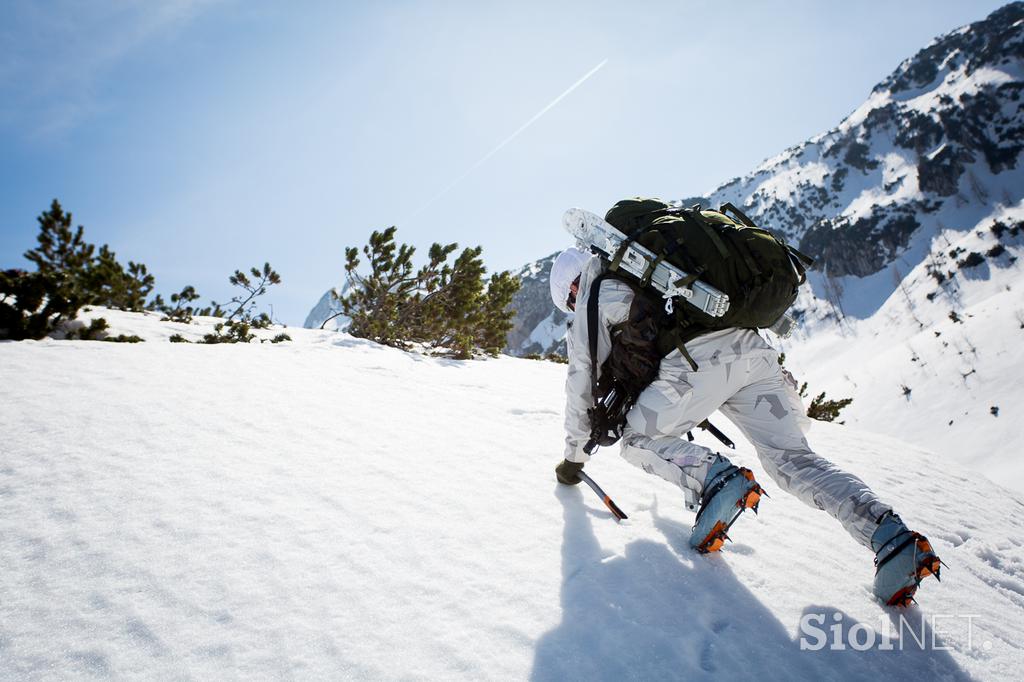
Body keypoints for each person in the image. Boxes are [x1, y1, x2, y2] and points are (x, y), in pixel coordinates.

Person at [549, 246, 942, 606]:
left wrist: (574, 458)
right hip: (752, 353)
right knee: (793, 461)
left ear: (573, 284)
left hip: (698, 360)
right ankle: (892, 539)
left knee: (637, 440)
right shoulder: (645, 270)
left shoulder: (595, 293)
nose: (572, 306)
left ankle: (718, 480)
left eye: (568, 299)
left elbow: (581, 376)